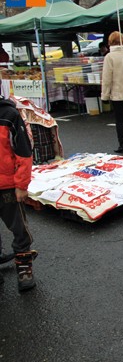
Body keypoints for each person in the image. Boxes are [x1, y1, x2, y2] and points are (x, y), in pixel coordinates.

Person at [0, 93, 37, 291]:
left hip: (6, 186)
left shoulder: (9, 114)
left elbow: (23, 152)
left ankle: (24, 268)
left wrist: (21, 185)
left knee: (18, 229)